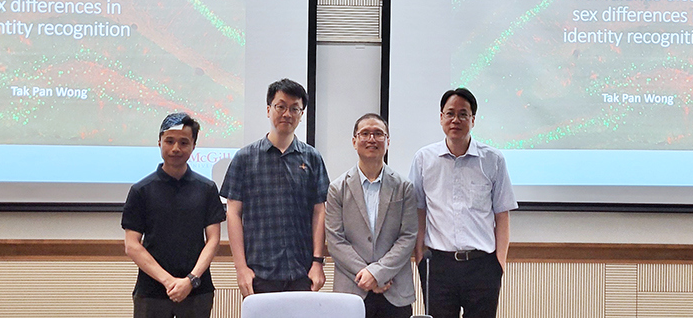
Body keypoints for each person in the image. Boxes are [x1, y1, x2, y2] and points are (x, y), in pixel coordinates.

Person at [409, 88, 517, 318]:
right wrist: (420, 259)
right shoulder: (423, 159)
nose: (455, 120)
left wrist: (499, 265)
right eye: (450, 113)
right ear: (441, 118)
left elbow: (502, 216)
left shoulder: (493, 160)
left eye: (463, 114)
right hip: (439, 266)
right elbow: (418, 212)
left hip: (482, 266)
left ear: (473, 120)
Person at [220, 78, 330, 297]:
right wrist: (241, 268)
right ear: (269, 109)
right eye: (281, 106)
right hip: (259, 274)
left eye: (294, 108)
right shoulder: (245, 158)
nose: (287, 114)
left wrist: (317, 262)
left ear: (301, 114)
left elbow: (319, 211)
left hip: (302, 272)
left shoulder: (312, 158)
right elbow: (233, 214)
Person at [122, 112, 227, 318]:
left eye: (183, 142)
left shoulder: (206, 188)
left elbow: (213, 240)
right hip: (151, 292)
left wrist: (190, 280)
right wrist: (169, 282)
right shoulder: (141, 190)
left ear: (193, 146)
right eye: (169, 141)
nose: (176, 148)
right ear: (159, 142)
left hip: (197, 290)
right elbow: (132, 245)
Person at [326, 113, 417, 318]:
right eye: (365, 133)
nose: (371, 139)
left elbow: (408, 236)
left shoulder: (404, 187)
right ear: (354, 141)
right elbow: (335, 240)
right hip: (352, 290)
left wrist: (378, 273)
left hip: (395, 290)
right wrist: (366, 275)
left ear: (388, 141)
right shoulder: (337, 188)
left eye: (378, 134)